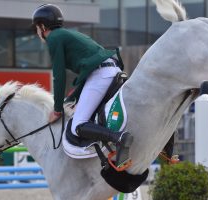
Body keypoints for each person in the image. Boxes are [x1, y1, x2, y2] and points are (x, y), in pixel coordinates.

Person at [32, 4, 133, 166]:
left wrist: (57, 109)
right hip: (111, 70)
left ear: (42, 26)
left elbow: (59, 76)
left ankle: (119, 138)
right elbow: (88, 73)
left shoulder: (53, 38)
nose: (37, 32)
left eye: (37, 28)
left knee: (78, 125)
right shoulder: (68, 34)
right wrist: (71, 99)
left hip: (101, 75)